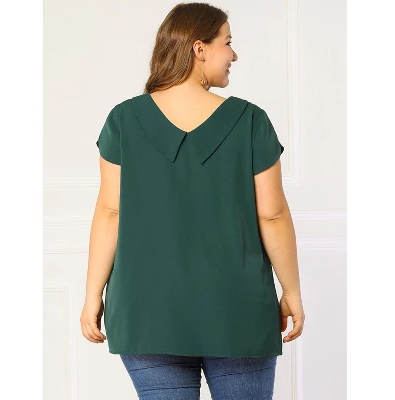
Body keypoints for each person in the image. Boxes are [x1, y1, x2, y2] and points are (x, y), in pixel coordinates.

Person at [80, 2, 305, 399]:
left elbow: (110, 212)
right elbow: (272, 216)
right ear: (199, 49)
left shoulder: (124, 120)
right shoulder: (250, 121)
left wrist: (92, 296)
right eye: (227, 42)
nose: (234, 54)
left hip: (147, 312)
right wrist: (291, 292)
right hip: (237, 311)